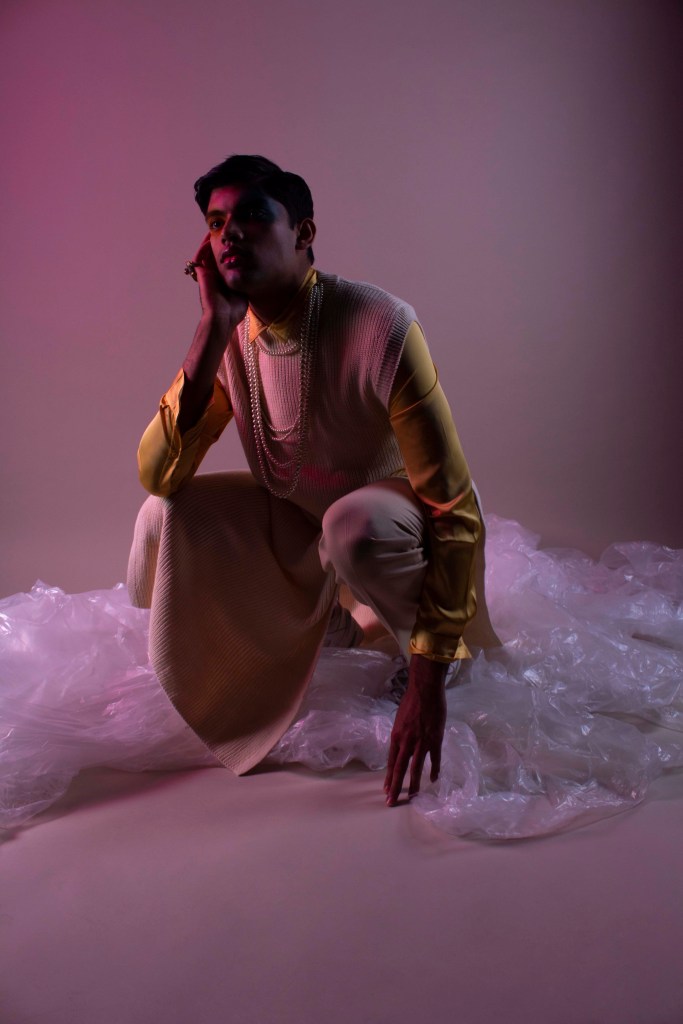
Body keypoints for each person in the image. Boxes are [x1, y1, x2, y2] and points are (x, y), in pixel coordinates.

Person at [127, 154, 498, 807]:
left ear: (302, 232)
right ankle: (329, 629)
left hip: (400, 523)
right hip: (301, 520)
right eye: (215, 223)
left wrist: (428, 679)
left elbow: (455, 506)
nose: (229, 234)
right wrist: (210, 328)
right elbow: (159, 474)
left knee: (350, 525)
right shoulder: (234, 334)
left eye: (250, 215)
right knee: (166, 513)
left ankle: (436, 658)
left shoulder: (379, 323)